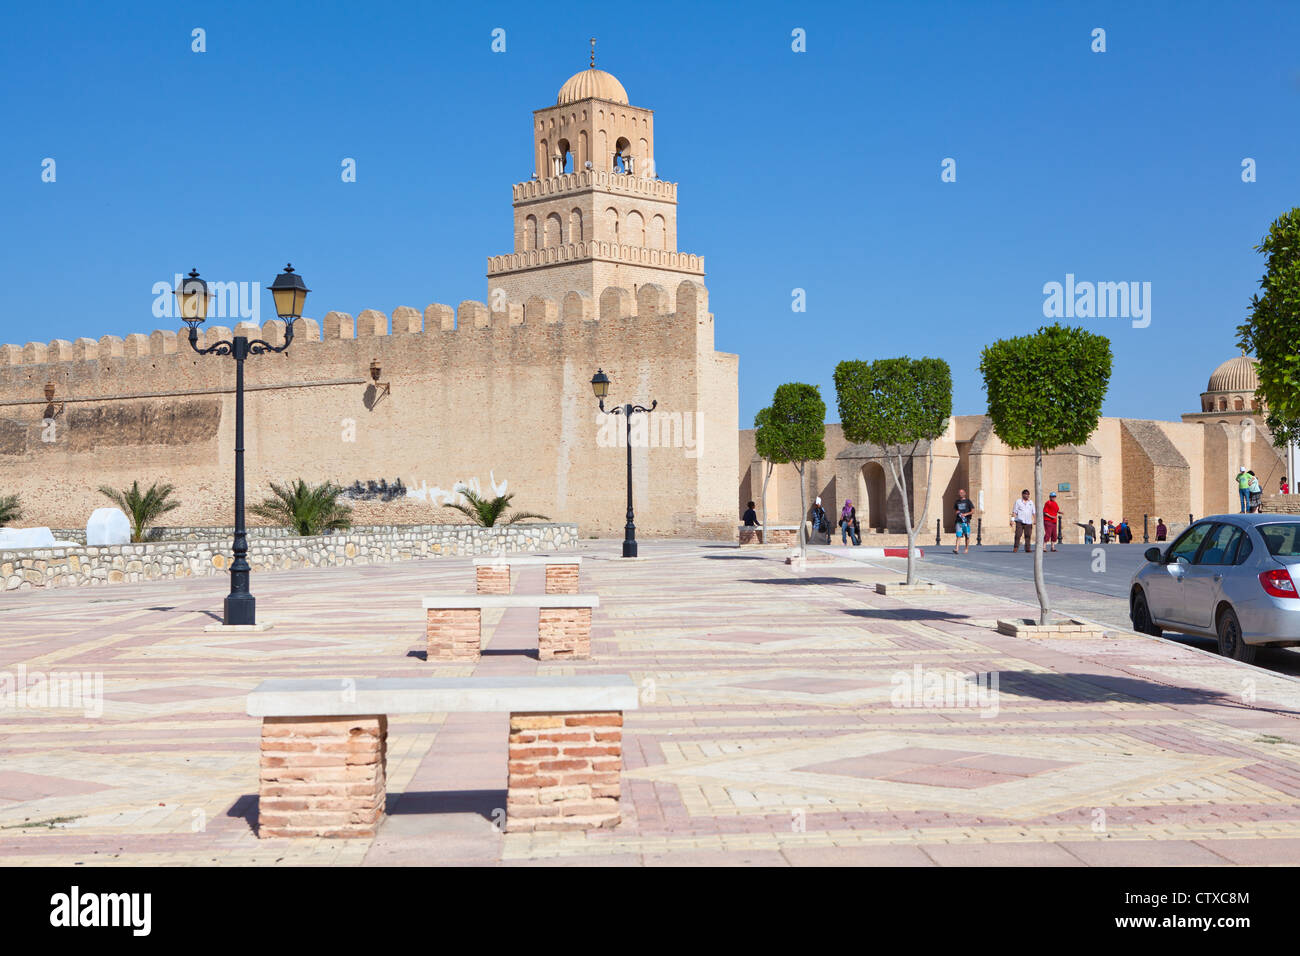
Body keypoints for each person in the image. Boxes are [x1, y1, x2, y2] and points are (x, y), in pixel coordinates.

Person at [1011, 489, 1035, 553]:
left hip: (1028, 522)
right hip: (1019, 521)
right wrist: (1012, 520)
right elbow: (1014, 512)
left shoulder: (1031, 502)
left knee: (1028, 535)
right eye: (1026, 494)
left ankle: (1027, 548)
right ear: (1022, 494)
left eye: (1028, 494)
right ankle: (1016, 547)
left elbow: (1034, 512)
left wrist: (1035, 520)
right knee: (1018, 534)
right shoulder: (1018, 502)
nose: (1027, 495)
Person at [953, 489, 974, 554]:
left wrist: (966, 514)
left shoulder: (968, 501)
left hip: (966, 522)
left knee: (967, 536)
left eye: (962, 492)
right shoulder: (957, 502)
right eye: (959, 493)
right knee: (958, 535)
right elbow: (955, 511)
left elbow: (973, 511)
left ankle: (966, 548)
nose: (960, 494)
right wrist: (957, 512)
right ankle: (956, 549)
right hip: (958, 522)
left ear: (965, 493)